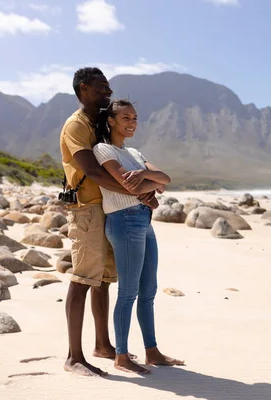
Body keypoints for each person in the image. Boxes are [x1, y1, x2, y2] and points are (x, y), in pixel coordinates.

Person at [60, 67, 158, 377]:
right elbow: (96, 172)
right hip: (87, 209)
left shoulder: (99, 124)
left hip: (110, 209)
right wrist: (141, 193)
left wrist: (143, 187)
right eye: (102, 88)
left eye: (109, 88)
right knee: (82, 279)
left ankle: (103, 345)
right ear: (85, 88)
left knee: (103, 280)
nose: (108, 93)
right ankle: (74, 357)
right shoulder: (76, 126)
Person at [92, 99, 185, 375]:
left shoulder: (133, 151)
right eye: (125, 118)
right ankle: (121, 356)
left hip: (145, 221)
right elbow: (125, 182)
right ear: (111, 120)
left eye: (134, 118)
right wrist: (148, 185)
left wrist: (146, 176)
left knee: (149, 292)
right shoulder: (103, 149)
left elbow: (164, 179)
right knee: (128, 292)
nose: (131, 123)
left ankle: (152, 351)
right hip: (123, 221)